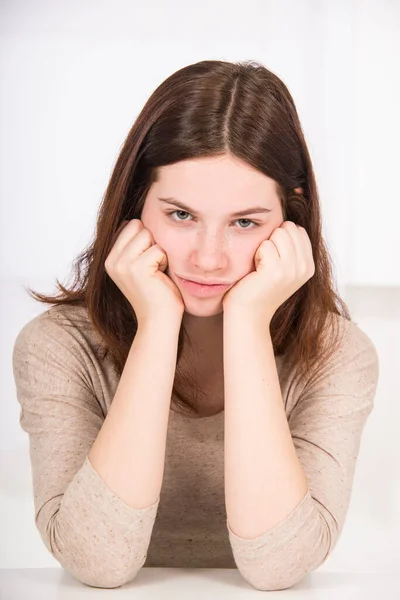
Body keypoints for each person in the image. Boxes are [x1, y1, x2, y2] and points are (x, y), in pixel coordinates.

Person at [12, 59, 379, 591]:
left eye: (245, 223)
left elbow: (278, 570)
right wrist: (157, 323)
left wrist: (248, 323)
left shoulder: (338, 355)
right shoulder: (56, 347)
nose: (208, 259)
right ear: (137, 205)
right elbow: (97, 564)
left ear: (291, 223)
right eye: (181, 215)